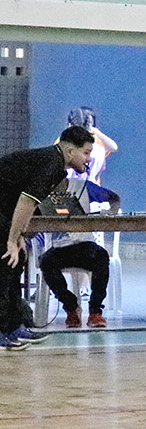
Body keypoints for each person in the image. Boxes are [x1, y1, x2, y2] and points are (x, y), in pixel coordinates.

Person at [1, 126, 95, 349]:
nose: (88, 159)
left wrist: (19, 236)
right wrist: (11, 240)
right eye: (86, 152)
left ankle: (14, 327)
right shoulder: (51, 164)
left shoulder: (55, 165)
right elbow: (26, 201)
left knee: (16, 262)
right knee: (4, 265)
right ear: (70, 151)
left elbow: (25, 203)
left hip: (4, 210)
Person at [37, 177, 120, 328]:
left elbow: (113, 198)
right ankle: (70, 306)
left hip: (83, 245)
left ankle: (95, 311)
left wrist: (111, 211)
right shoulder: (40, 191)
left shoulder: (83, 187)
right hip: (57, 248)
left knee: (101, 256)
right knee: (45, 261)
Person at [66, 106, 117, 185]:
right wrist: (95, 131)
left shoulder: (65, 145)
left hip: (67, 188)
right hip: (88, 189)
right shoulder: (99, 148)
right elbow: (113, 147)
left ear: (70, 125)